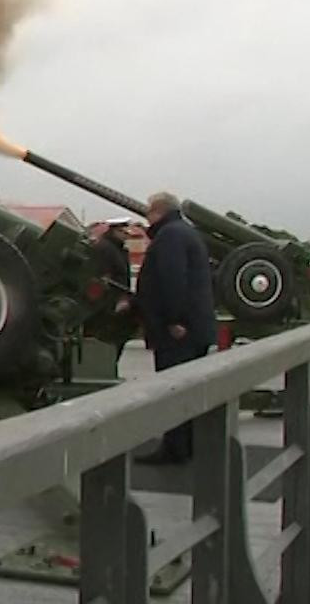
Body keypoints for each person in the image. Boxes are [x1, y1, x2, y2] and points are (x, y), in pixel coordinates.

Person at [133, 192, 217, 465]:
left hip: (179, 332)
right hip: (194, 328)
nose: (146, 215)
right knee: (186, 389)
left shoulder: (169, 237)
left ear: (157, 211)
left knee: (172, 389)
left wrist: (174, 320)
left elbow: (173, 279)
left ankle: (175, 449)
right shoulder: (185, 233)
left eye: (148, 210)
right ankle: (185, 445)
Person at [88, 217, 135, 359]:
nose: (127, 235)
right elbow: (102, 278)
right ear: (115, 231)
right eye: (123, 232)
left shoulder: (118, 249)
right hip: (107, 307)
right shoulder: (105, 249)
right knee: (107, 344)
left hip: (116, 304)